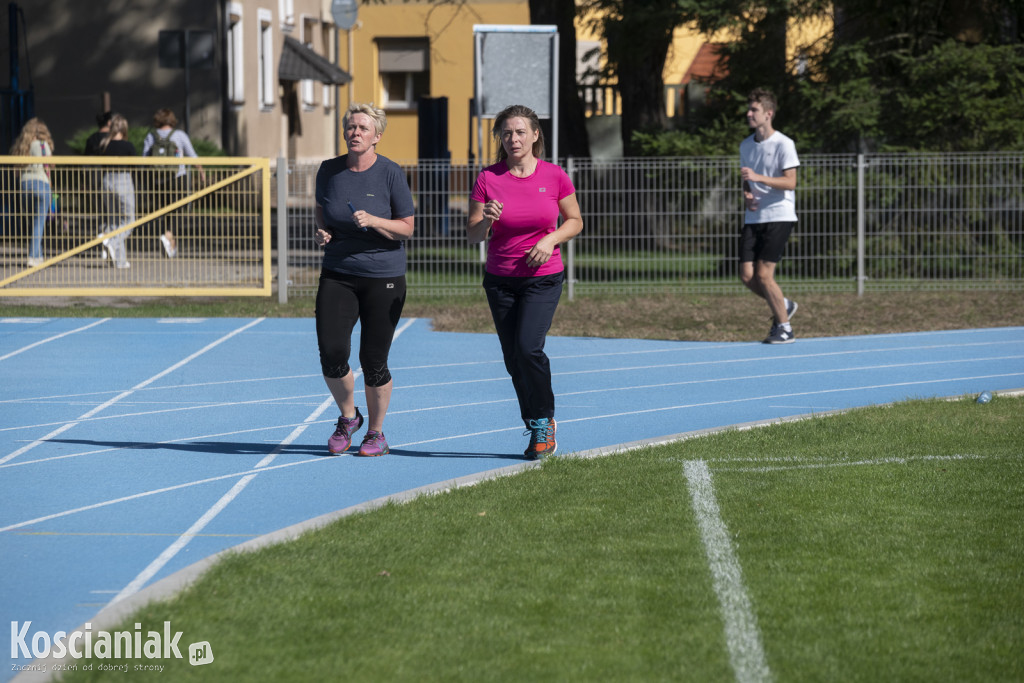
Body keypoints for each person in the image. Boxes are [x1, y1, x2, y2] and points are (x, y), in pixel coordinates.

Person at [466, 104, 584, 459]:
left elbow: (575, 220)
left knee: (528, 348)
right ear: (500, 139)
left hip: (542, 279)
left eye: (519, 132)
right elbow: (473, 236)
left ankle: (544, 420)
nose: (513, 138)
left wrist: (550, 240)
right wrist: (486, 219)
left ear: (535, 135)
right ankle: (535, 423)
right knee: (513, 357)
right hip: (500, 280)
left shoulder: (554, 176)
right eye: (506, 133)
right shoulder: (488, 178)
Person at [312, 103, 415, 457]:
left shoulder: (390, 173)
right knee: (332, 353)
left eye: (362, 128)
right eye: (351, 127)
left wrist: (375, 221)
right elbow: (322, 209)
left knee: (373, 360)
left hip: (382, 275)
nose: (355, 132)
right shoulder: (329, 171)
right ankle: (348, 417)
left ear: (377, 136)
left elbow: (406, 228)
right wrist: (323, 230)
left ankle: (376, 432)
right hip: (338, 273)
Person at [739, 87, 800, 344]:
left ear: (768, 114)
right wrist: (747, 193)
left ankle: (784, 329)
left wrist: (758, 178)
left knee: (764, 275)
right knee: (747, 276)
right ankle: (783, 304)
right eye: (749, 108)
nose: (749, 113)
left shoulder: (784, 144)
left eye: (754, 110)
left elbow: (791, 182)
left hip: (779, 215)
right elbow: (746, 179)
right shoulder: (745, 145)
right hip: (754, 217)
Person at [141, 108, 206, 258]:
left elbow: (143, 159)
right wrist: (201, 171)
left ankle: (169, 242)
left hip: (157, 179)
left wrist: (144, 177)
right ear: (171, 119)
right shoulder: (179, 135)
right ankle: (169, 237)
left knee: (165, 211)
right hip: (177, 178)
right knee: (177, 210)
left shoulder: (151, 136)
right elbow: (192, 155)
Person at [11, 118, 54, 268]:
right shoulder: (43, 145)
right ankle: (32, 256)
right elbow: (48, 166)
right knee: (39, 222)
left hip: (25, 184)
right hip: (41, 183)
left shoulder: (22, 147)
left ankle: (38, 256)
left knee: (33, 222)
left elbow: (16, 172)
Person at [96, 114, 136, 269]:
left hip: (106, 182)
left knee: (113, 221)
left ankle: (119, 260)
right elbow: (135, 168)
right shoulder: (128, 146)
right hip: (123, 180)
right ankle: (110, 241)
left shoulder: (104, 145)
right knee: (129, 221)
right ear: (124, 129)